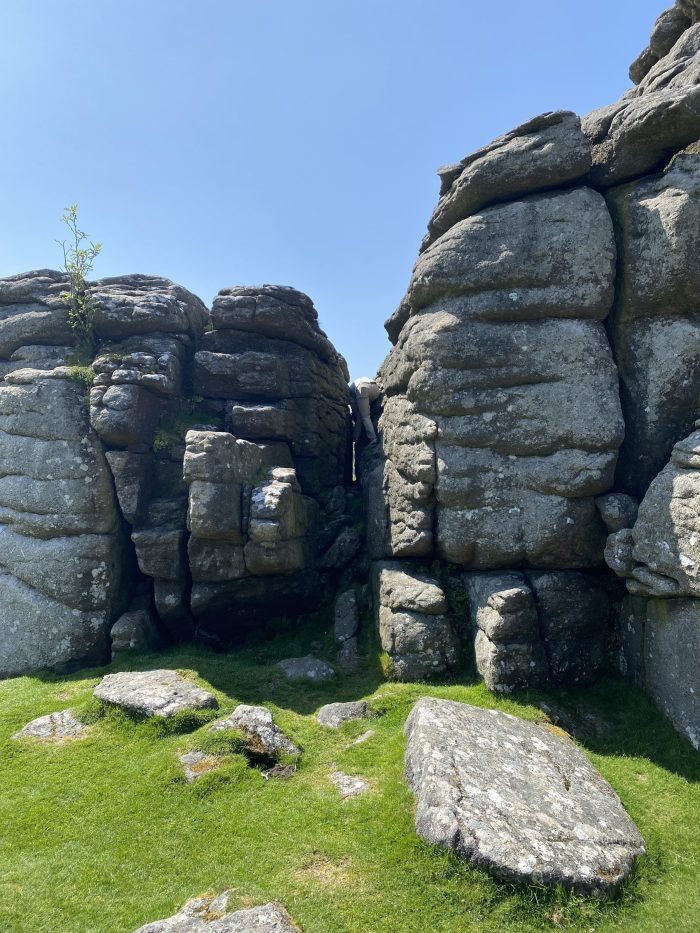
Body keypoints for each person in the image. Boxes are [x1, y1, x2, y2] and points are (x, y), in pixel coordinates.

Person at [349, 376, 380, 443]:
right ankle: (356, 437)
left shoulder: (349, 392)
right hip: (375, 388)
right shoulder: (355, 383)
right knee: (363, 413)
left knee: (365, 416)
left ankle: (373, 438)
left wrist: (353, 412)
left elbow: (353, 405)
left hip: (362, 388)